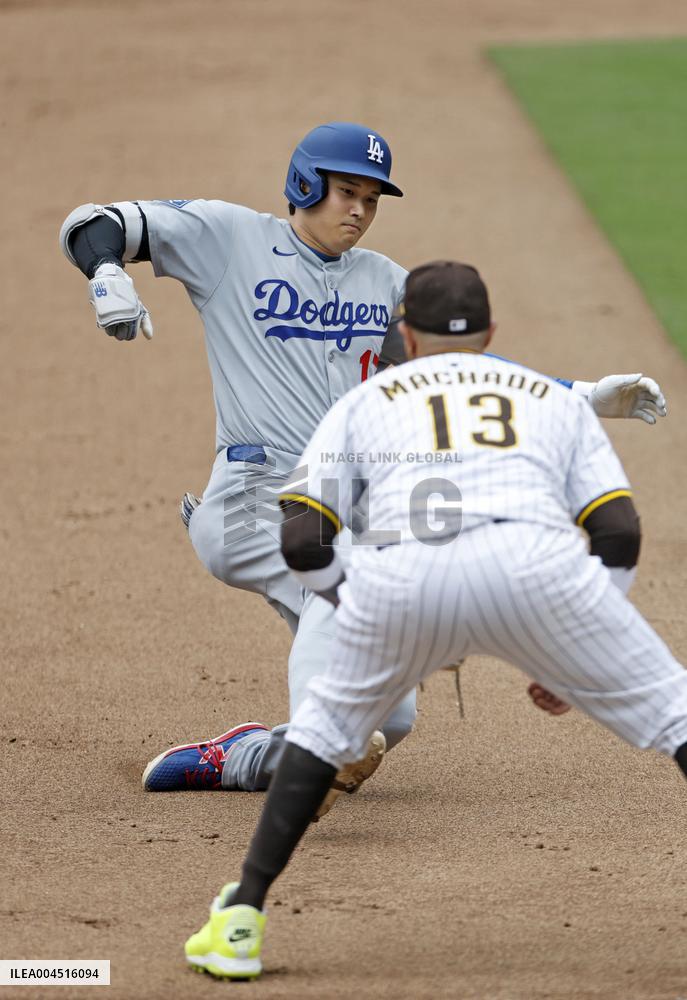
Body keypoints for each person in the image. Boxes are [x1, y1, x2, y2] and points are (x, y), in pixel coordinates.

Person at [59, 125, 666, 810]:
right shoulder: (228, 238)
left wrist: (583, 395)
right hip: (251, 499)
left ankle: (249, 756)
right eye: (346, 192)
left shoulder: (386, 283)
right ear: (303, 184)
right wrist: (106, 272)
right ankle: (317, 756)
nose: (359, 210)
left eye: (371, 199)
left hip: (340, 510)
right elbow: (94, 223)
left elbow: (461, 370)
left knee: (391, 717)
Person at [183, 261, 687, 980]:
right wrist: (580, 639)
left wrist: (355, 604)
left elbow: (301, 539)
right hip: (539, 575)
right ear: (490, 333)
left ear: (407, 337)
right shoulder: (553, 399)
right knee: (676, 715)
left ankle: (240, 920)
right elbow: (618, 532)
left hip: (404, 580)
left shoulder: (365, 401)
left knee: (322, 734)